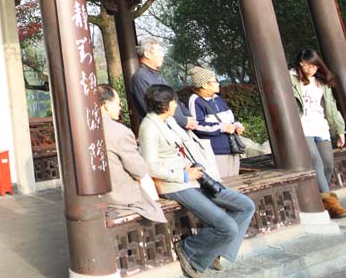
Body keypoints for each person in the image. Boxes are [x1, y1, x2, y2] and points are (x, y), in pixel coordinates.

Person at [139, 84, 255, 277]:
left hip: (195, 177)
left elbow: (183, 148)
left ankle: (213, 251)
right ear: (165, 104)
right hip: (176, 184)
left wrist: (192, 168)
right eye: (174, 101)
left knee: (246, 205)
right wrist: (184, 175)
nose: (176, 105)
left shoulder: (169, 122)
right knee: (226, 226)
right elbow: (151, 166)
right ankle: (190, 251)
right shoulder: (149, 127)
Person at [290, 49, 346, 218]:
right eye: (306, 65)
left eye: (314, 65)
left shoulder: (322, 83)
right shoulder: (292, 79)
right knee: (316, 161)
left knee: (328, 164)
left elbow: (331, 107)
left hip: (321, 126)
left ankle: (320, 199)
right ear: (300, 64)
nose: (310, 69)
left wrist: (340, 130)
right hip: (304, 126)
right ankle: (334, 207)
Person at [98, 84, 167, 223]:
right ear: (106, 105)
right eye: (118, 103)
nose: (120, 106)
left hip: (95, 197)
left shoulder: (81, 129)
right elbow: (139, 170)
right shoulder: (119, 132)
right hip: (121, 198)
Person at [187, 66, 245, 178]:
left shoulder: (218, 99)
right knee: (224, 184)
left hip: (232, 148)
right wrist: (223, 128)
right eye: (215, 81)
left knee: (235, 180)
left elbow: (232, 118)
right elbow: (197, 126)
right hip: (215, 152)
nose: (218, 83)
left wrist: (237, 125)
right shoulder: (195, 101)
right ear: (204, 85)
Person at [129, 38, 197, 130]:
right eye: (159, 51)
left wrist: (188, 117)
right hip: (160, 131)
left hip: (176, 127)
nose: (162, 55)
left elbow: (175, 100)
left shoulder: (156, 75)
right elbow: (154, 108)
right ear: (147, 54)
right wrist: (183, 121)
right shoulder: (140, 77)